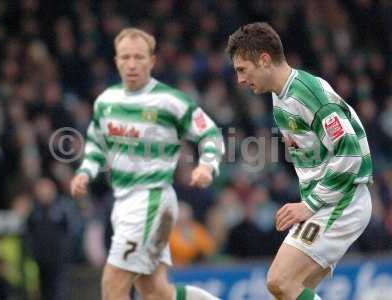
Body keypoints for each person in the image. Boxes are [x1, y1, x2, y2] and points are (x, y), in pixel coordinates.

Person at [70, 28, 223, 300]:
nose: (131, 64)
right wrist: (85, 172)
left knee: (113, 283)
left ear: (152, 61)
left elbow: (210, 133)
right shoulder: (106, 101)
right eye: (125, 57)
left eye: (139, 57)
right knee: (155, 292)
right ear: (116, 60)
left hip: (152, 199)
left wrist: (207, 165)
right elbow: (95, 143)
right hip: (123, 203)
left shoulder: (170, 101)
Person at [226, 22, 372, 300]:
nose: (240, 80)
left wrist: (309, 205)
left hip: (343, 200)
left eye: (242, 69)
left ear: (264, 59)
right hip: (326, 199)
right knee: (289, 291)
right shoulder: (280, 97)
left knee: (280, 280)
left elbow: (350, 154)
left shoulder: (308, 94)